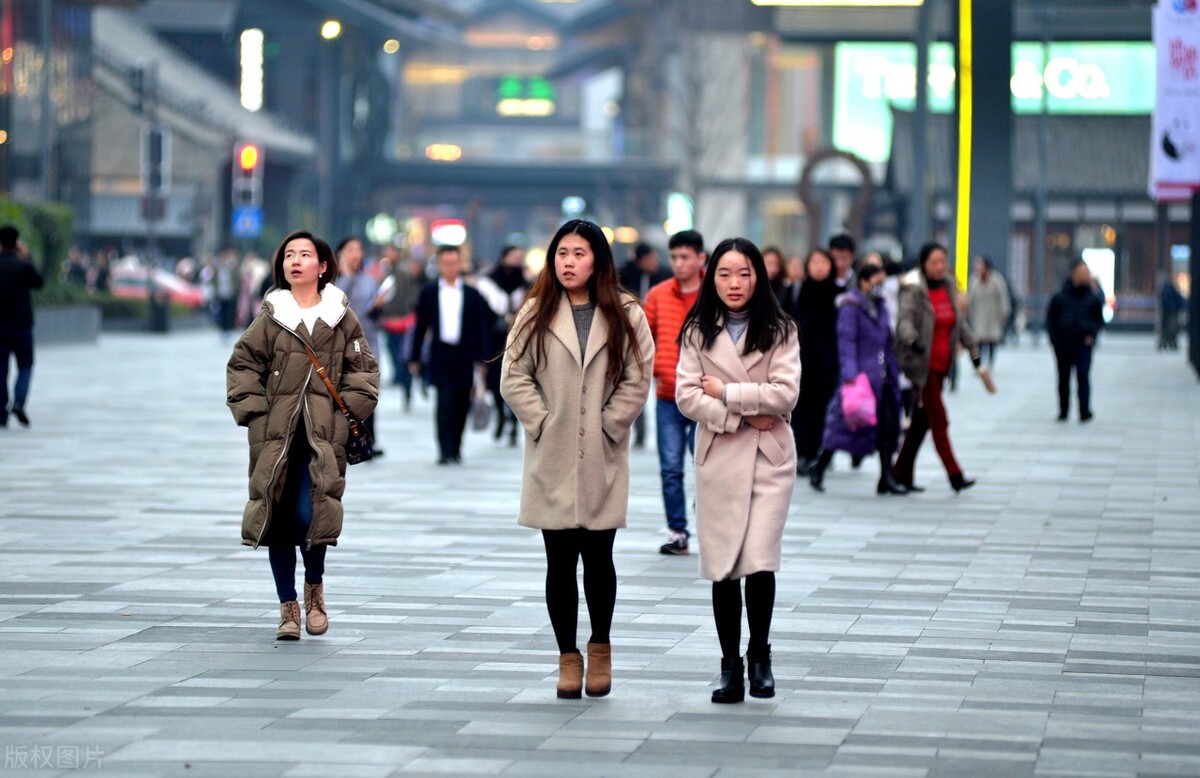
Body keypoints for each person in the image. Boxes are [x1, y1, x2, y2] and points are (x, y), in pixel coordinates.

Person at [501, 219, 653, 700]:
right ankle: (568, 656)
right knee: (558, 560)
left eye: (579, 253)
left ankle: (601, 646)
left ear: (598, 260)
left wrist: (612, 423)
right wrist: (543, 422)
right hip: (553, 451)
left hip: (602, 453)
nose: (568, 262)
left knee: (600, 557)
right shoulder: (536, 311)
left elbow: (637, 376)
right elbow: (514, 376)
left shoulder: (626, 312)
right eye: (562, 253)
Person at [226, 231, 380, 640]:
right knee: (277, 518)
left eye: (304, 254)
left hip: (322, 438)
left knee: (311, 514)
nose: (295, 261)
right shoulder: (271, 315)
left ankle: (315, 590)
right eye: (288, 255)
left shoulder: (340, 316)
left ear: (322, 266)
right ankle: (287, 608)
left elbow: (364, 374)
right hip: (276, 438)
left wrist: (343, 422)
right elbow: (241, 366)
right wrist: (256, 415)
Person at [676, 237, 800, 704]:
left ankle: (760, 656)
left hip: (768, 458)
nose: (734, 283)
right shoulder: (696, 331)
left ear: (759, 277)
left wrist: (726, 392)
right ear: (712, 277)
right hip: (719, 459)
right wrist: (746, 412)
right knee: (724, 566)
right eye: (725, 273)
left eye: (744, 273)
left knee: (760, 560)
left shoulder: (781, 329)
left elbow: (785, 395)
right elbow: (687, 397)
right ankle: (729, 666)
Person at [892, 242, 987, 492]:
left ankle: (900, 473)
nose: (940, 266)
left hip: (944, 365)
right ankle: (955, 475)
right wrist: (914, 341)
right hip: (922, 368)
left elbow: (959, 323)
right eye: (935, 262)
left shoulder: (947, 285)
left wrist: (974, 350)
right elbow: (905, 321)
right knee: (939, 419)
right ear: (924, 263)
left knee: (921, 422)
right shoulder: (913, 289)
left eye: (943, 261)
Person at [807, 262, 906, 495]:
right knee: (841, 427)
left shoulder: (880, 306)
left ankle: (886, 477)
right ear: (864, 281)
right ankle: (819, 467)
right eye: (876, 282)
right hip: (859, 381)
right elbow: (846, 342)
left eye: (882, 282)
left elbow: (887, 342)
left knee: (886, 428)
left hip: (881, 380)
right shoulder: (850, 308)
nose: (880, 287)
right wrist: (850, 375)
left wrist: (894, 372)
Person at [643, 229, 706, 555]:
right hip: (668, 394)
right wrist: (654, 369)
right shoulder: (657, 294)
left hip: (705, 398)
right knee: (671, 467)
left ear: (700, 258)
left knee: (707, 466)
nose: (679, 264)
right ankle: (678, 531)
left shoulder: (714, 293)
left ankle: (709, 526)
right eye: (675, 257)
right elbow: (643, 338)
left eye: (685, 257)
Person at [409, 245, 491, 465]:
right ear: (439, 265)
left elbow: (481, 327)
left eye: (454, 263)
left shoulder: (472, 295)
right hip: (440, 353)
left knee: (462, 402)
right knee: (444, 402)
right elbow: (420, 327)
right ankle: (444, 450)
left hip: (465, 354)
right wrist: (414, 357)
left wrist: (483, 359)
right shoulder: (429, 292)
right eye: (445, 263)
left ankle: (456, 446)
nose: (450, 268)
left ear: (460, 264)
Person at [476, 245, 531, 446]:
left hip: (518, 339)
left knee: (517, 380)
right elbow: (481, 314)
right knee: (495, 382)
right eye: (514, 256)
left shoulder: (526, 283)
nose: (517, 260)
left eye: (520, 257)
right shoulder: (489, 282)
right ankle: (500, 415)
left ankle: (515, 425)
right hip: (493, 340)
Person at [792, 249, 840, 474]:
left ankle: (818, 454)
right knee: (802, 408)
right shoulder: (800, 291)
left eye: (823, 262)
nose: (819, 266)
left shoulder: (839, 294)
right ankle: (802, 453)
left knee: (824, 408)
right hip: (802, 361)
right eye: (814, 262)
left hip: (829, 362)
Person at [618, 242, 668, 448]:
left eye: (654, 258)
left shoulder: (665, 275)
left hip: (658, 338)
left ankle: (662, 435)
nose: (652, 263)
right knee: (634, 382)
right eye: (648, 260)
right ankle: (638, 433)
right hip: (629, 336)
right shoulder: (625, 275)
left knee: (660, 386)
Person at [337, 237, 383, 456]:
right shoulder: (332, 280)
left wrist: (377, 306)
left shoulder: (368, 280)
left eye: (359, 249)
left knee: (367, 391)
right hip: (341, 345)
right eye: (350, 250)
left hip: (367, 342)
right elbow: (337, 304)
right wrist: (346, 276)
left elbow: (372, 311)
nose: (356, 254)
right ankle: (345, 440)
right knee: (344, 393)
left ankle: (368, 442)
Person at [1047, 259, 1105, 422]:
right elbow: (1051, 319)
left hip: (1083, 345)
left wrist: (1092, 336)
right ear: (1074, 274)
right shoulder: (1060, 296)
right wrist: (1054, 340)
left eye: (1087, 273)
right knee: (1063, 378)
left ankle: (1084, 411)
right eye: (1082, 273)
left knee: (1083, 376)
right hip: (1063, 344)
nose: (1085, 276)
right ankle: (1063, 410)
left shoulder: (1092, 297)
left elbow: (1098, 320)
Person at [0, 225, 44, 428]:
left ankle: (1, 411)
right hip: (22, 326)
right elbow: (39, 282)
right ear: (17, 242)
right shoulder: (24, 265)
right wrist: (28, 258)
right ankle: (18, 402)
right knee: (25, 366)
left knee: (1, 370)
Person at [373, 248, 424, 408]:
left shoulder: (401, 273)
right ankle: (402, 379)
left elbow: (404, 296)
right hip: (392, 320)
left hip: (401, 319)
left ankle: (404, 380)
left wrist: (404, 312)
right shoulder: (390, 273)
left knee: (401, 353)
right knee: (394, 350)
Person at [967, 256, 1011, 369]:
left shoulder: (997, 280)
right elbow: (969, 298)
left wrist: (1004, 313)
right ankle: (978, 365)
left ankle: (990, 364)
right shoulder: (975, 280)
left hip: (993, 316)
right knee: (978, 343)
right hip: (980, 316)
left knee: (992, 341)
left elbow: (1003, 297)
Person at [1158, 273, 1186, 351]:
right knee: (1172, 328)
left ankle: (1166, 343)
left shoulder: (1167, 290)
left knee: (1168, 328)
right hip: (1171, 312)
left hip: (1169, 313)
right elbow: (1178, 300)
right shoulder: (1170, 290)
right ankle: (1170, 343)